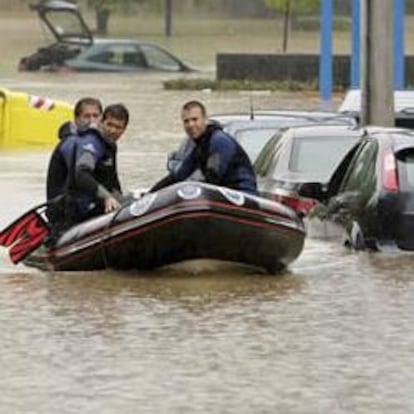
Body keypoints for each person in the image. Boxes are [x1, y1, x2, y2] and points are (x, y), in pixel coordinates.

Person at [46, 103, 129, 241]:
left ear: (124, 129)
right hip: (72, 211)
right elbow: (81, 173)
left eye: (118, 127)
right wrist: (106, 197)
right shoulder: (91, 143)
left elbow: (112, 181)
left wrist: (121, 201)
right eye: (109, 125)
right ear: (102, 121)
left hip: (90, 204)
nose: (113, 131)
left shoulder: (110, 145)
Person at [150, 100, 258, 194]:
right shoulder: (200, 146)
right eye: (186, 121)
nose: (191, 125)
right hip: (223, 197)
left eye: (195, 119)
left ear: (205, 119)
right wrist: (151, 194)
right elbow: (177, 176)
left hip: (243, 196)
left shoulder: (219, 141)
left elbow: (212, 178)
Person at [46, 97, 103, 226]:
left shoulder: (97, 144)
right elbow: (80, 176)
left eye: (95, 116)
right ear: (77, 119)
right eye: (86, 116)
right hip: (66, 216)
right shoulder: (70, 144)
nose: (92, 121)